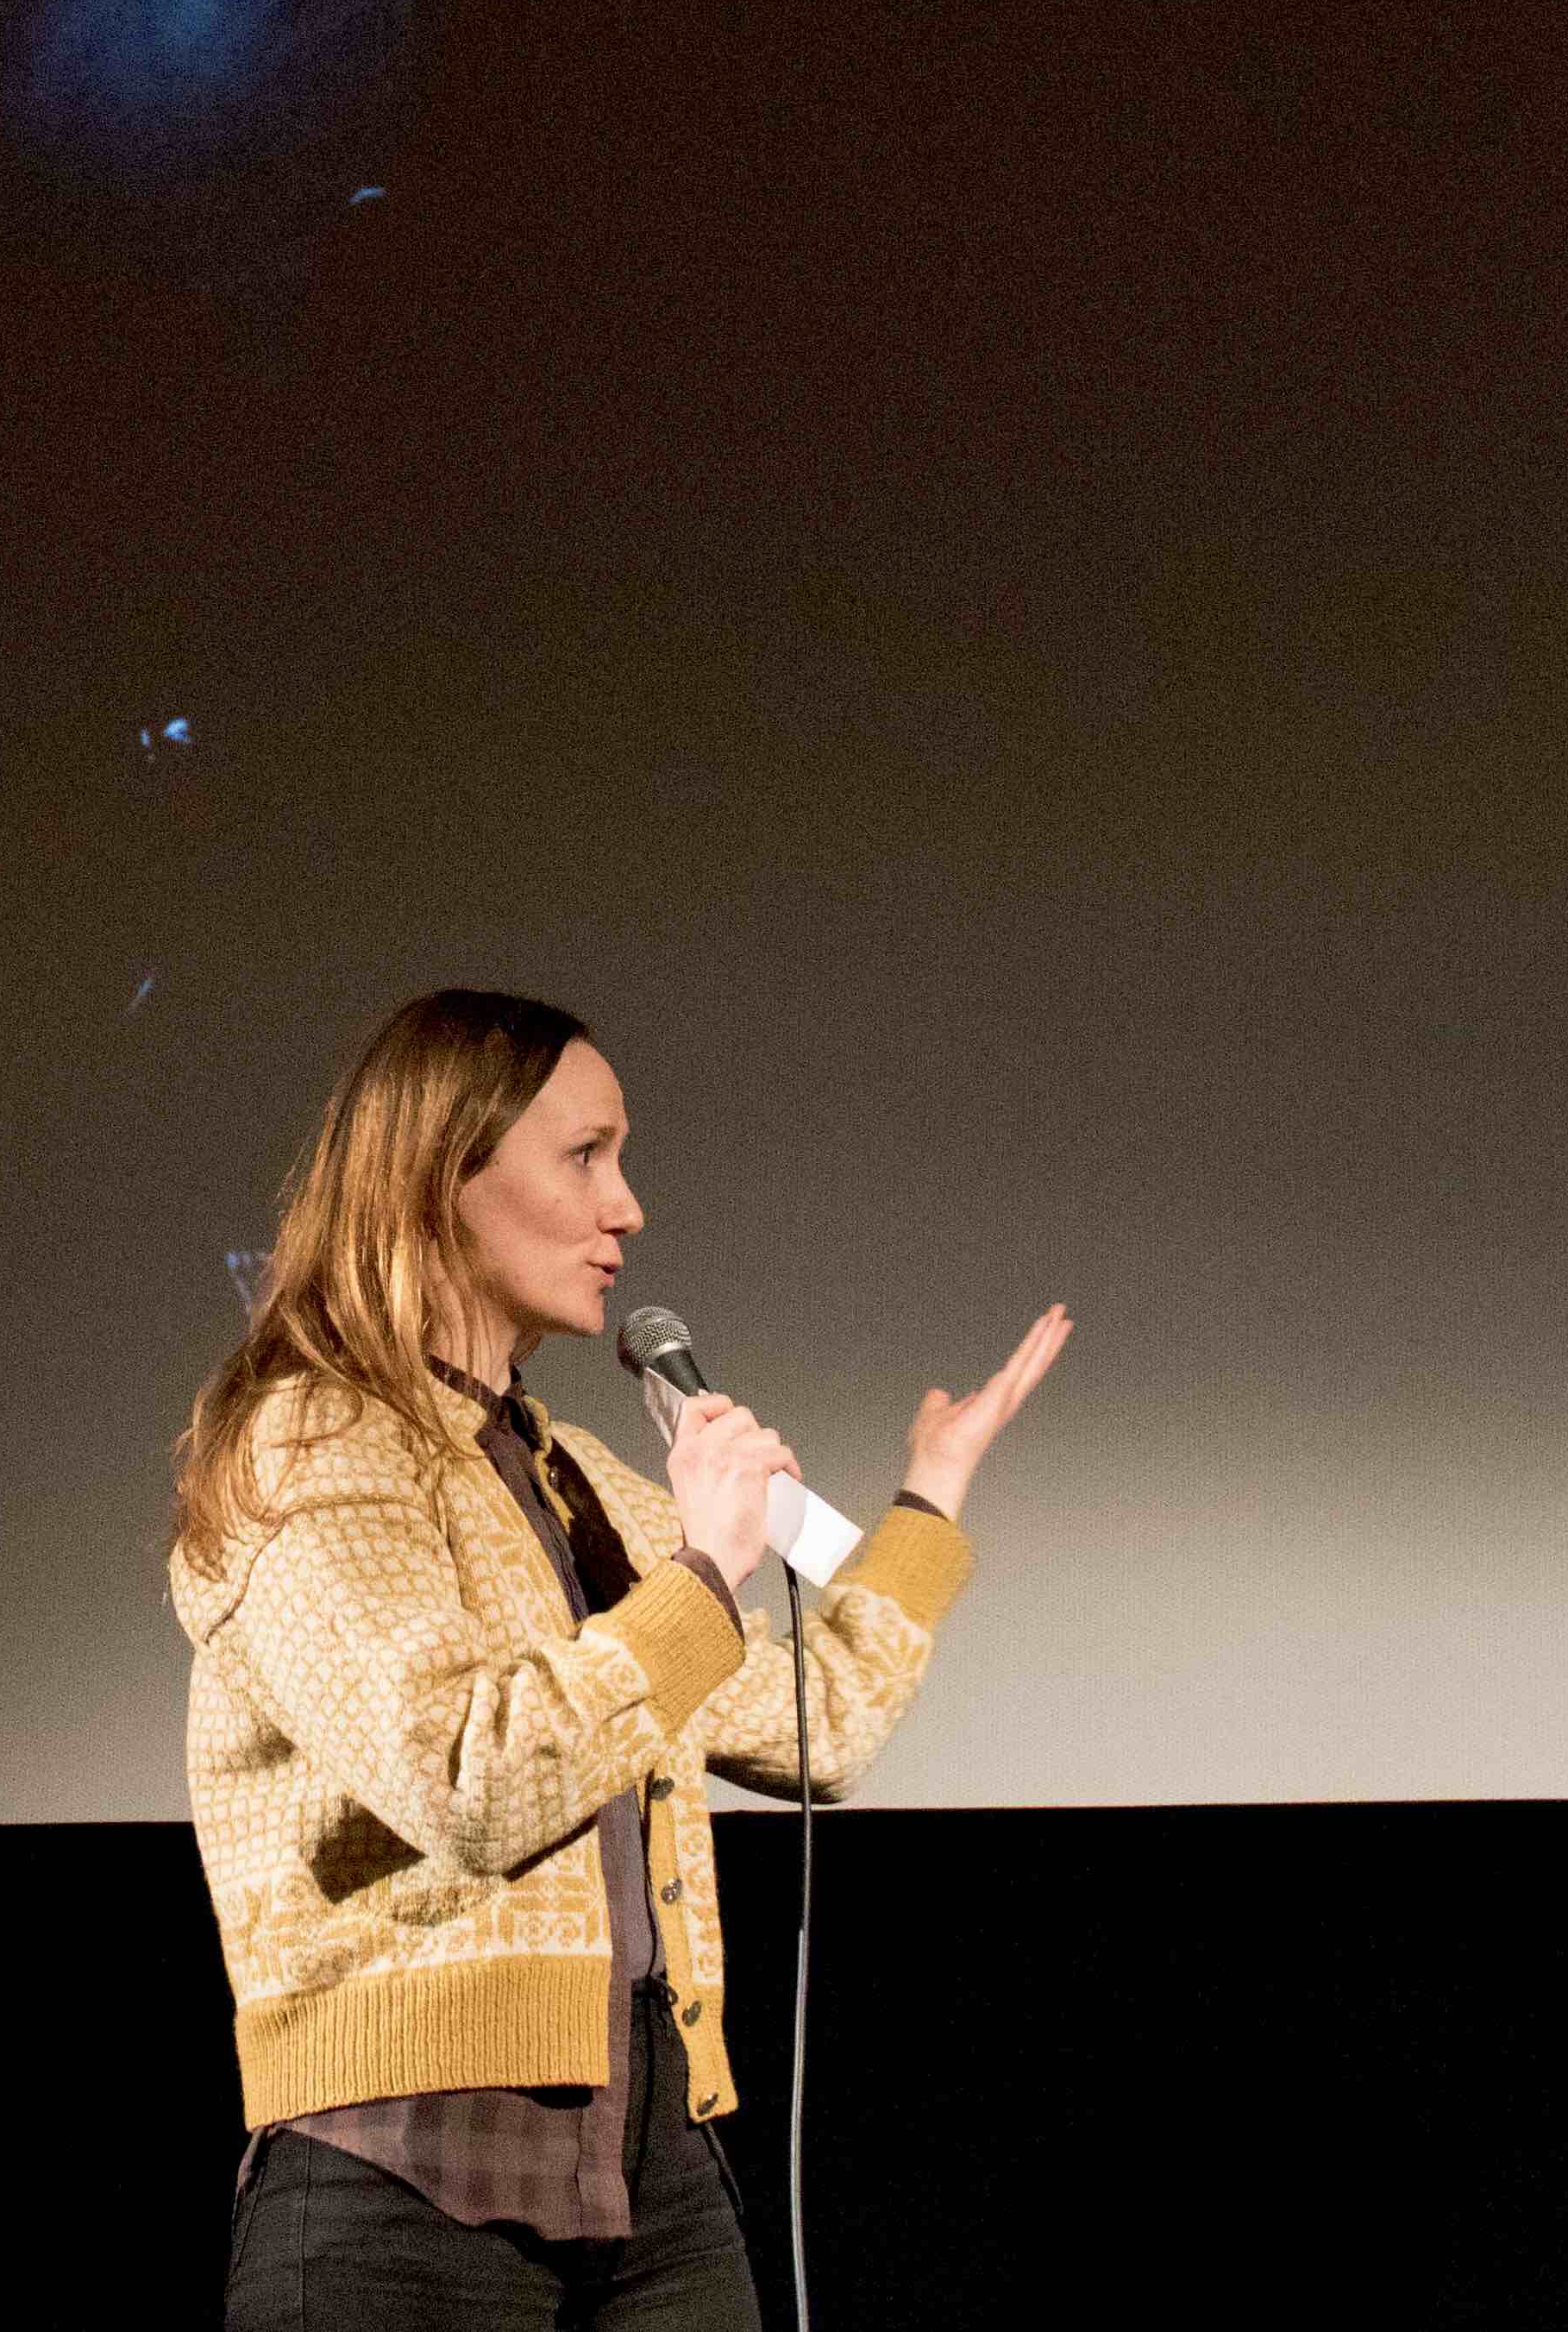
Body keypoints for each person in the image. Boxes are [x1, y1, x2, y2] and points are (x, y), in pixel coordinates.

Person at [170, 990, 1067, 2325]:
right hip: (402, 2170)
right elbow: (473, 1783)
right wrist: (703, 1570)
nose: (630, 1206)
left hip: (654, 2167)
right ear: (438, 1178)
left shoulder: (572, 1473)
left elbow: (824, 1725)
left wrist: (927, 1503)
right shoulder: (310, 1445)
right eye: (586, 1155)